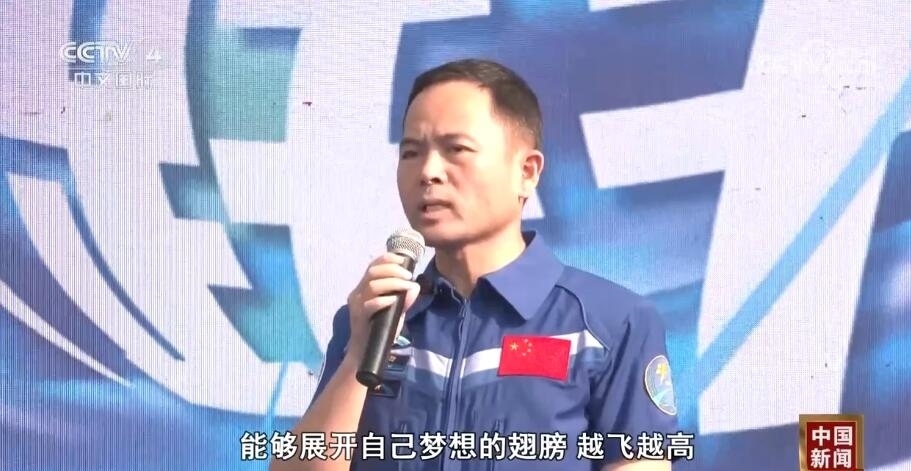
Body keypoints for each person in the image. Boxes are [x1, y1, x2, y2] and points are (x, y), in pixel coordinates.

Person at [272, 58, 679, 471]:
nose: (428, 172)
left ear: (527, 172)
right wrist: (359, 353)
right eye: (411, 153)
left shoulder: (610, 323)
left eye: (457, 150)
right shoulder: (372, 319)